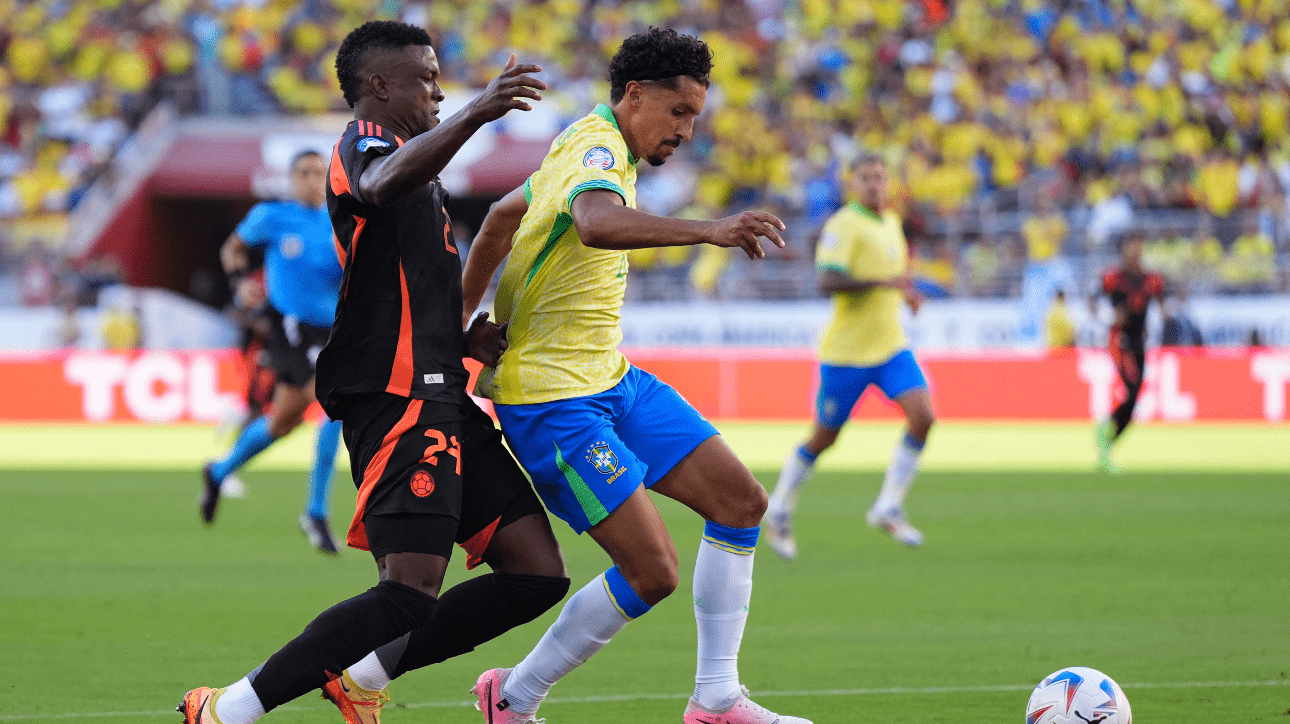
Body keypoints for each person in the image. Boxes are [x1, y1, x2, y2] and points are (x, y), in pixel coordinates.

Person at [179, 21, 569, 724]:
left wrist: (459, 337)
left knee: (537, 573)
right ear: (380, 87)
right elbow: (380, 184)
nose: (440, 89)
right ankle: (228, 709)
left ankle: (359, 680)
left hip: (443, 390)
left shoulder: (419, 169)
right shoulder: (365, 145)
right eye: (426, 77)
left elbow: (412, 280)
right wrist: (481, 111)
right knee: (408, 590)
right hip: (396, 395)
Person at [460, 28, 809, 724]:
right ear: (635, 94)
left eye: (694, 119)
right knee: (653, 573)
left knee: (741, 503)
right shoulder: (595, 151)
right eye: (677, 113)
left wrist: (461, 319)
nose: (685, 131)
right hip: (554, 402)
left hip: (610, 380)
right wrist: (708, 230)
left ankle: (716, 698)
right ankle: (514, 696)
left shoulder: (588, 141)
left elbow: (502, 218)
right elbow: (594, 224)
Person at [766, 154, 934, 557]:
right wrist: (883, 282)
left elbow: (893, 276)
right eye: (866, 178)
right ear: (852, 183)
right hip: (846, 354)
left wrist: (905, 291)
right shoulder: (844, 224)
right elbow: (826, 280)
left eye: (880, 177)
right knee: (825, 436)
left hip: (890, 346)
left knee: (923, 416)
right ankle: (779, 509)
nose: (875, 184)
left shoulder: (891, 221)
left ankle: (888, 506)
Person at [199, 149, 347, 554]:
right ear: (290, 178)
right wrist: (239, 281)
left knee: (284, 420)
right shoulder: (273, 216)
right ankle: (315, 511)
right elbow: (233, 249)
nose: (311, 179)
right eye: (303, 172)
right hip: (291, 326)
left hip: (332, 330)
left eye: (318, 172)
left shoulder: (341, 220)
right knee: (335, 402)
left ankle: (219, 470)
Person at [1095, 233, 1165, 472]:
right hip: (1119, 339)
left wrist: (1166, 315)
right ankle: (1105, 433)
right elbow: (1092, 301)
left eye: (1138, 245)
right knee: (1132, 389)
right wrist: (1108, 317)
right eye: (1130, 246)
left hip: (1138, 341)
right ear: (1124, 249)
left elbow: (1162, 303)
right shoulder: (1113, 277)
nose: (1135, 250)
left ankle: (1107, 437)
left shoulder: (1152, 279)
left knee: (1134, 398)